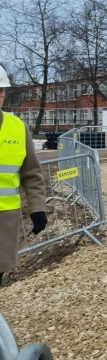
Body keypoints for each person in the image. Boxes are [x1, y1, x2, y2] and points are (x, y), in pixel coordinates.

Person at [0, 64, 48, 287]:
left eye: (0, 91)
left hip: (4, 224)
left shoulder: (18, 128)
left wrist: (38, 208)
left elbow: (31, 173)